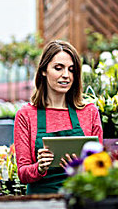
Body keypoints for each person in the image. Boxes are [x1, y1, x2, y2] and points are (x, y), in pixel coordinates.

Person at [14, 40, 103, 194]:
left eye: (71, 69)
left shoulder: (89, 112)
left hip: (80, 197)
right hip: (40, 201)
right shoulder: (26, 115)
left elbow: (100, 165)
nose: (66, 75)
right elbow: (23, 174)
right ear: (43, 70)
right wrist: (39, 167)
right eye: (58, 68)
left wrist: (82, 168)